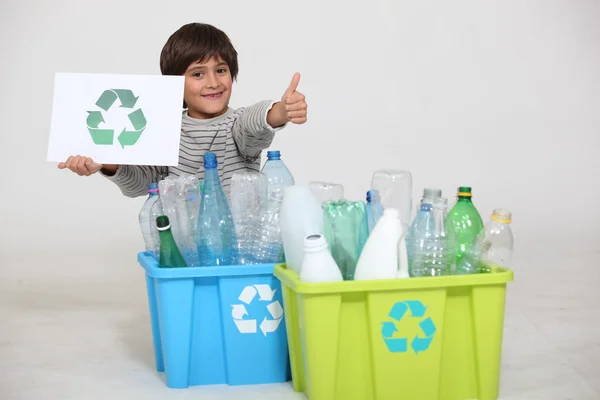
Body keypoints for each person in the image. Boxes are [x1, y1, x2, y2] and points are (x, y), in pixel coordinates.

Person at [58, 22, 307, 198]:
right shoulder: (164, 128)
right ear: (175, 83)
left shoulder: (236, 125)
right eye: (198, 74)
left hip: (237, 247)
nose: (213, 82)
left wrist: (281, 111)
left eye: (221, 70)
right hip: (184, 244)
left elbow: (254, 123)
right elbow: (140, 185)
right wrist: (108, 164)